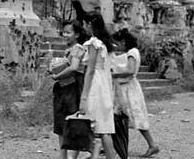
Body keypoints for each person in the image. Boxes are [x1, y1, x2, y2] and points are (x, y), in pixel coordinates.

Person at [79, 13, 122, 159]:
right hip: (105, 84)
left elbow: (90, 70)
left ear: (89, 24)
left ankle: (94, 153)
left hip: (96, 85)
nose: (84, 27)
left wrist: (84, 96)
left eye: (84, 24)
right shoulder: (105, 44)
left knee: (93, 124)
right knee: (104, 128)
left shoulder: (94, 43)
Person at [112, 28, 160, 157]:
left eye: (118, 44)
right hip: (124, 87)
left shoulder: (132, 53)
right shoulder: (130, 53)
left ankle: (152, 145)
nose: (117, 47)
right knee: (117, 116)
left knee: (135, 116)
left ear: (123, 42)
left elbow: (131, 70)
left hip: (129, 88)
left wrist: (114, 74)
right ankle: (112, 145)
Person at [50, 20, 90, 159]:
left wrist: (57, 76)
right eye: (64, 32)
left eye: (69, 32)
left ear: (77, 34)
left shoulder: (77, 49)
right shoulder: (71, 49)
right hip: (66, 87)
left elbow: (73, 67)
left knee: (70, 121)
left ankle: (70, 155)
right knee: (64, 122)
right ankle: (65, 155)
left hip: (71, 88)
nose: (65, 35)